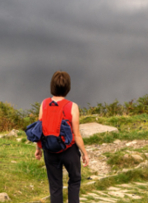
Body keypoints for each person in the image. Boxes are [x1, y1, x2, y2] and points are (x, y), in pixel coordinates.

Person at [35, 71, 89, 203]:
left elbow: (39, 129)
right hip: (69, 151)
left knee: (55, 187)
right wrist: (84, 153)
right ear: (68, 88)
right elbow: (77, 134)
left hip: (50, 150)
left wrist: (38, 148)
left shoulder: (44, 103)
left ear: (52, 86)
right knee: (75, 180)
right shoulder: (72, 106)